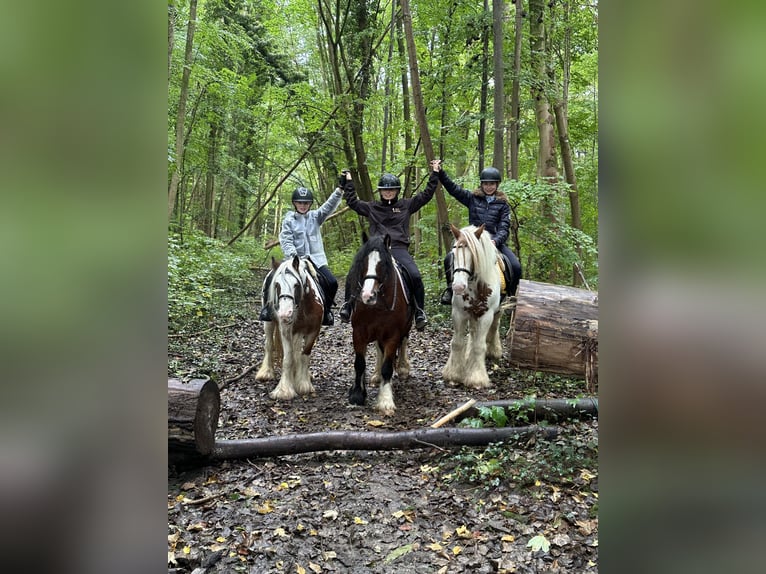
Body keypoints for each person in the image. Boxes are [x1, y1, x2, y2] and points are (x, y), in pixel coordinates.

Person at [338, 162, 440, 331]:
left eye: (391, 189)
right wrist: (349, 182)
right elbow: (353, 202)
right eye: (385, 190)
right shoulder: (372, 207)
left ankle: (419, 312)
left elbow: (427, 195)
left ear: (397, 191)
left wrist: (435, 174)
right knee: (353, 272)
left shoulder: (406, 205)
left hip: (398, 248)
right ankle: (348, 306)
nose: (388, 192)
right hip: (376, 250)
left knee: (414, 275)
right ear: (380, 191)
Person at [435, 164, 522, 304]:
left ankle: (510, 297)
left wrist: (496, 241)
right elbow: (454, 189)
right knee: (448, 259)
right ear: (481, 184)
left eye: (492, 184)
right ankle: (450, 290)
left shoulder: (503, 204)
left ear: (497, 184)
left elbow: (504, 227)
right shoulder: (472, 198)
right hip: (472, 243)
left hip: (494, 243)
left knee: (515, 266)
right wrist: (441, 173)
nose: (489, 187)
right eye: (486, 184)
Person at [259, 184, 343, 326]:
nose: (303, 205)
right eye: (300, 203)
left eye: (306, 203)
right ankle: (267, 308)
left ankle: (326, 311)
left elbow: (329, 206)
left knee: (332, 282)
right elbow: (286, 240)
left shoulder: (316, 216)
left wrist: (340, 190)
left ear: (310, 204)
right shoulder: (289, 220)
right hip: (294, 260)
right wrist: (294, 256)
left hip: (316, 260)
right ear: (294, 203)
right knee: (271, 277)